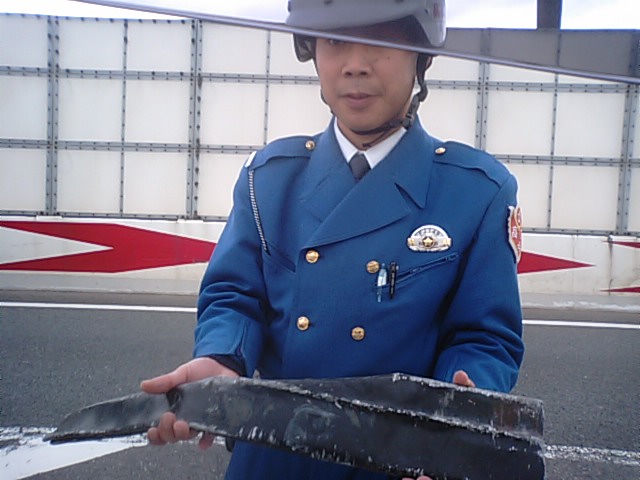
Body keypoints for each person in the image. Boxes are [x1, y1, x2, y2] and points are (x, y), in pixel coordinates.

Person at [141, 0, 525, 479]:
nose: (355, 65)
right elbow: (234, 296)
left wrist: (455, 418)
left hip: (401, 463)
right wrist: (221, 357)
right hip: (274, 458)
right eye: (336, 41)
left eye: (380, 41)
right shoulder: (269, 179)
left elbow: (483, 338)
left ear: (420, 55)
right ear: (312, 51)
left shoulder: (477, 191)